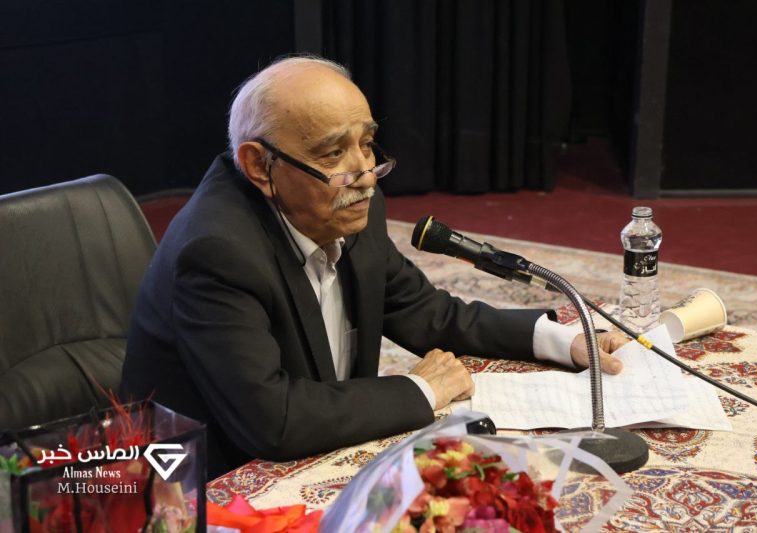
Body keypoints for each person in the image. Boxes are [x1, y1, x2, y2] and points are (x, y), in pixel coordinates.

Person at [122, 56, 628, 478]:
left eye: (366, 144)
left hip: (320, 451)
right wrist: (423, 388)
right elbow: (273, 421)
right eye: (333, 152)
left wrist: (561, 341)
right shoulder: (216, 252)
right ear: (259, 165)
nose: (364, 173)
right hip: (206, 483)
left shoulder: (349, 204)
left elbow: (424, 312)